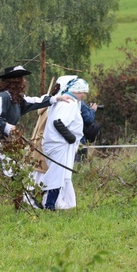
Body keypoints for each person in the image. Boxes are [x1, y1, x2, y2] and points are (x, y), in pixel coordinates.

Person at [0, 65, 72, 211]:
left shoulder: (17, 98)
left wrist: (56, 98)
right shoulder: (3, 97)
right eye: (19, 78)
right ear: (11, 81)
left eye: (22, 78)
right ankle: (21, 209)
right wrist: (8, 127)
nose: (22, 81)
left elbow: (34, 102)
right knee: (15, 170)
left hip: (0, 140)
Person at [41, 78, 89, 210]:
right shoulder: (69, 103)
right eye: (82, 92)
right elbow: (58, 122)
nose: (84, 95)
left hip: (56, 144)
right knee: (57, 175)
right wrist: (71, 138)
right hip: (59, 144)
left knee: (58, 174)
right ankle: (49, 205)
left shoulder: (63, 101)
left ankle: (55, 203)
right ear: (76, 90)